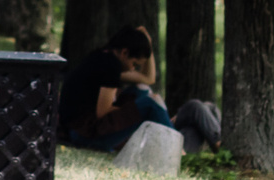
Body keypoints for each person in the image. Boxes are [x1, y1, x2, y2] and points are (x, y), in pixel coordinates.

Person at [60, 26, 222, 160]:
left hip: (87, 130)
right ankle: (183, 152)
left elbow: (147, 79)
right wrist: (138, 110)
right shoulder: (109, 65)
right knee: (153, 102)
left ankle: (187, 147)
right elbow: (103, 111)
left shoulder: (103, 58)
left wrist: (148, 43)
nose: (133, 69)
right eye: (134, 63)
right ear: (124, 53)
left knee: (145, 91)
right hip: (85, 134)